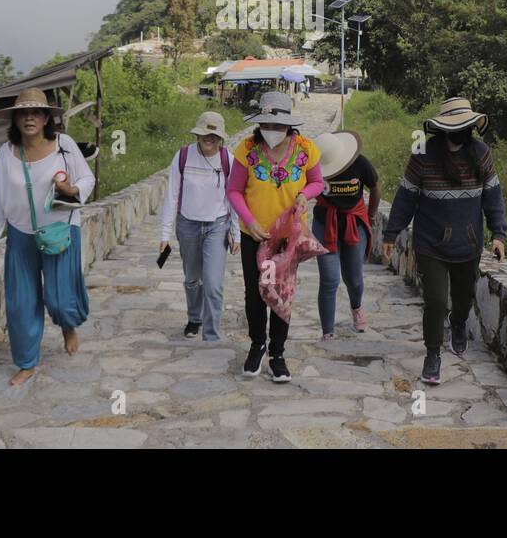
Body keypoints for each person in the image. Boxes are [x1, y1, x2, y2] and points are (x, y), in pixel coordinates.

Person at [382, 97, 507, 386]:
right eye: (456, 126)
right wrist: (392, 233)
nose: (462, 131)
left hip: (469, 244)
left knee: (463, 298)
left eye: (466, 126)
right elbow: (406, 197)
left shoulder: (482, 153)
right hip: (430, 244)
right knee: (436, 300)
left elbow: (493, 198)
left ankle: (459, 323)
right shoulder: (422, 154)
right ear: (443, 129)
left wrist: (498, 235)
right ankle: (432, 355)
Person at [0, 87, 95, 386]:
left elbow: (88, 178)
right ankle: (26, 362)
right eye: (23, 113)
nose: (29, 118)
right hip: (21, 234)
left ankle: (68, 324)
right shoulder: (6, 153)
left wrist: (72, 190)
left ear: (47, 118)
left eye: (36, 112)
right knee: (21, 304)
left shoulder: (64, 145)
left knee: (59, 300)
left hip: (60, 230)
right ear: (16, 119)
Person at [226, 90, 324, 383]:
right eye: (267, 126)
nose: (272, 132)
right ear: (259, 124)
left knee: (282, 292)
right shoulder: (246, 150)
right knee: (255, 293)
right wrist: (250, 221)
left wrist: (305, 195)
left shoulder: (306, 149)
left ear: (289, 126)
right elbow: (233, 190)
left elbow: (318, 182)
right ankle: (257, 345)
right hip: (254, 234)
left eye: (278, 126)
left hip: (286, 237)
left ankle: (277, 354)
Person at [158, 111, 239, 340]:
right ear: (198, 134)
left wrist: (236, 233)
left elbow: (233, 197)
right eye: (205, 134)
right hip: (188, 225)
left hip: (217, 225)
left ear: (220, 137)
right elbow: (172, 196)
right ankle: (195, 318)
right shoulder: (183, 156)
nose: (209, 139)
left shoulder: (228, 160)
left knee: (213, 282)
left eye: (214, 135)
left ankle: (212, 333)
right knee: (192, 278)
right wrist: (165, 234)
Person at [311, 130, 380, 339]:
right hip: (325, 225)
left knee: (354, 278)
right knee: (329, 279)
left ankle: (357, 308)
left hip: (354, 223)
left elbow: (376, 186)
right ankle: (328, 332)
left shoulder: (360, 164)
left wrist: (372, 215)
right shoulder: (312, 168)